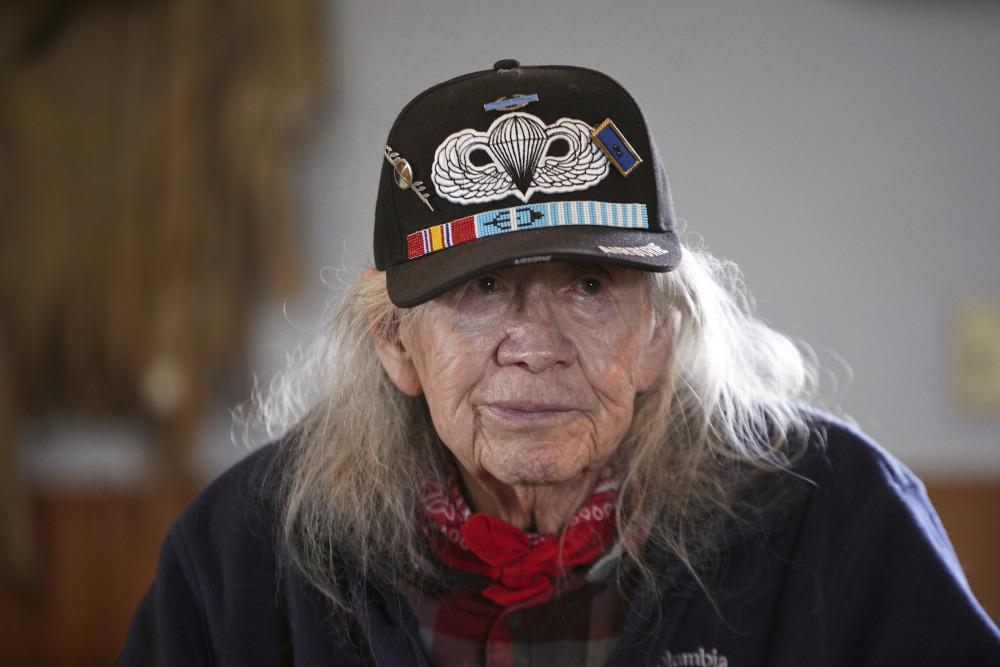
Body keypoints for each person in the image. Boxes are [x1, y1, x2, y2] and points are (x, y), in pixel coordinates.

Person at [118, 60, 1000, 666]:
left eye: (587, 284)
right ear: (398, 346)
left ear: (659, 334)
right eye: (482, 286)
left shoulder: (840, 514)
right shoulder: (240, 552)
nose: (534, 344)